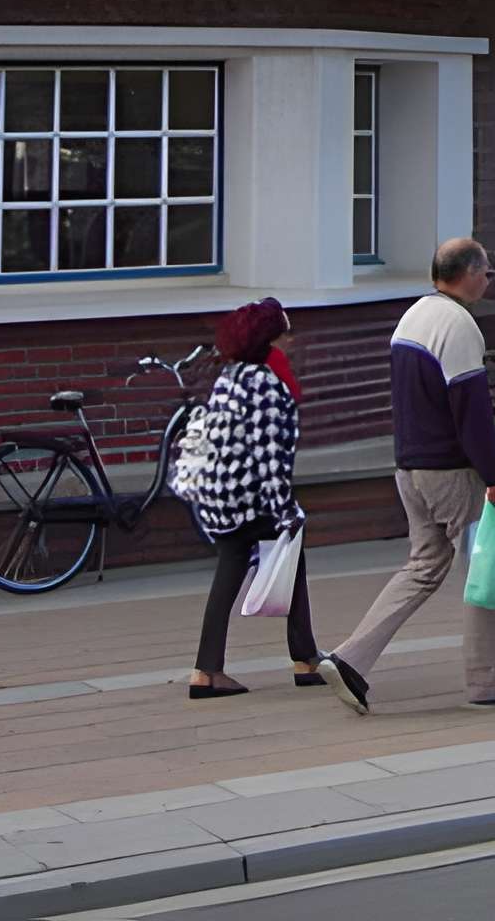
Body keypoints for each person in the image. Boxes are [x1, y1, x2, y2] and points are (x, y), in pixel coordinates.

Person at [317, 239, 495, 714]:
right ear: (470, 274)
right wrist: (494, 475)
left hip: (409, 467)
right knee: (487, 571)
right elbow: (471, 412)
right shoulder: (459, 326)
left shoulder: (411, 318)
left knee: (423, 566)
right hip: (451, 471)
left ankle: (349, 659)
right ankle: (489, 681)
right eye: (488, 273)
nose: (490, 281)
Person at [186, 297, 321, 699]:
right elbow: (268, 454)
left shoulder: (231, 375)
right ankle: (304, 660)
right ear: (272, 339)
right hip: (250, 496)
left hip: (221, 493)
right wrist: (286, 509)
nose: (292, 340)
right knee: (290, 550)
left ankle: (206, 670)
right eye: (286, 332)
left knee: (232, 570)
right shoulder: (265, 382)